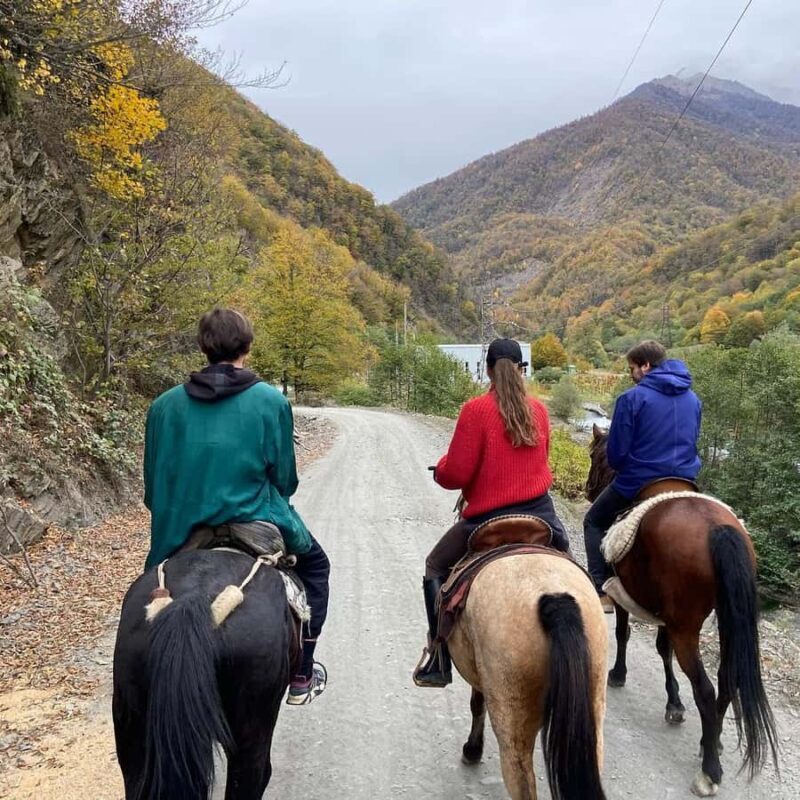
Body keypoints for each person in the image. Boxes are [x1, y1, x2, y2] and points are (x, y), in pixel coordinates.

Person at [143, 308, 330, 705]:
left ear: (202, 347)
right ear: (248, 346)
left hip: (182, 531)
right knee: (316, 567)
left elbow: (152, 491)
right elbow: (285, 481)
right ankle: (301, 672)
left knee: (148, 590)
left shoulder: (162, 407)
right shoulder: (269, 402)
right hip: (254, 521)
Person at [414, 338, 570, 688]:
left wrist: (440, 470)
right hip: (540, 515)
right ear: (521, 369)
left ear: (487, 368)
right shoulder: (540, 411)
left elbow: (456, 474)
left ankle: (438, 659)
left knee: (434, 566)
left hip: (486, 519)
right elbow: (541, 462)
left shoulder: (475, 410)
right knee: (573, 568)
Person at [583, 340, 702, 612]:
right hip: (685, 480)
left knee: (592, 521)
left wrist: (628, 464)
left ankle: (603, 590)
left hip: (640, 481)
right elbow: (691, 440)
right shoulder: (693, 399)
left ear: (646, 366)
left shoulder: (631, 398)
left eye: (632, 368)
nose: (630, 374)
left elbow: (616, 455)